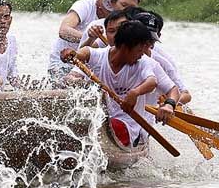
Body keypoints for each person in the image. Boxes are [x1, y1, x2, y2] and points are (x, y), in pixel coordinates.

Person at [61, 20, 179, 148]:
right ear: (124, 46)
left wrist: (167, 105)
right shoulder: (99, 55)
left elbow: (154, 83)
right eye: (139, 50)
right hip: (98, 117)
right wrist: (72, 54)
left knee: (101, 126)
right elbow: (83, 53)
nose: (142, 54)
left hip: (127, 124)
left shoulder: (144, 62)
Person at [47, 0, 127, 77]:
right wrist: (91, 37)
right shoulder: (84, 6)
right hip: (63, 64)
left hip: (92, 64)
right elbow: (64, 31)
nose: (113, 4)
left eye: (117, 0)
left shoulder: (122, 17)